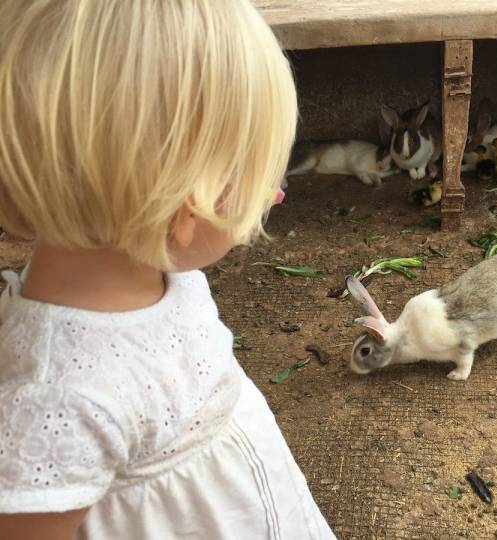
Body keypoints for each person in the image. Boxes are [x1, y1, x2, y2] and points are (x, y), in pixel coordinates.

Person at [0, 1, 335, 538]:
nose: (273, 192)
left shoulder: (161, 277)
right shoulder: (58, 402)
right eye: (254, 172)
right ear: (185, 205)